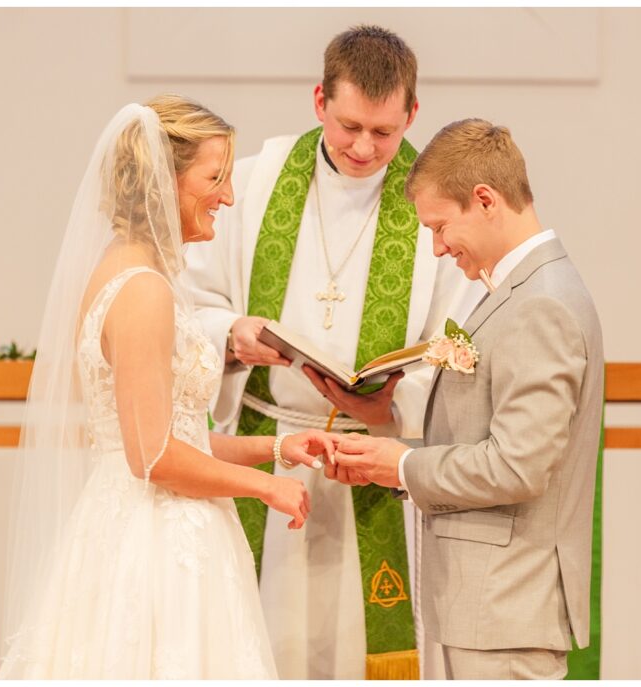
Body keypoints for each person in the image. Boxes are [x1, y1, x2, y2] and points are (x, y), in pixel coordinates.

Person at [0, 95, 338, 679]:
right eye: (215, 178)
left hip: (140, 519)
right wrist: (264, 487)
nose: (228, 196)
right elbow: (153, 456)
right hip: (156, 543)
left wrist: (277, 450)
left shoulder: (123, 269)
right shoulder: (143, 291)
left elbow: (178, 435)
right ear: (163, 181)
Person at [184, 25, 466, 679]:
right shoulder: (255, 183)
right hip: (269, 448)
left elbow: (457, 339)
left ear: (412, 116)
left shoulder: (434, 204)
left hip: (375, 463)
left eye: (384, 131)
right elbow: (187, 301)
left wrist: (395, 404)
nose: (365, 147)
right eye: (349, 126)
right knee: (265, 645)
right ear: (319, 101)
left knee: (357, 647)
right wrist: (231, 334)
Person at [332, 119, 605, 680]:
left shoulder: (541, 305)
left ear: (485, 199)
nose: (435, 247)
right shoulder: (518, 292)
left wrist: (407, 465)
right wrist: (388, 463)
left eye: (439, 226)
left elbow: (519, 465)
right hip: (488, 606)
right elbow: (490, 439)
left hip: (507, 604)